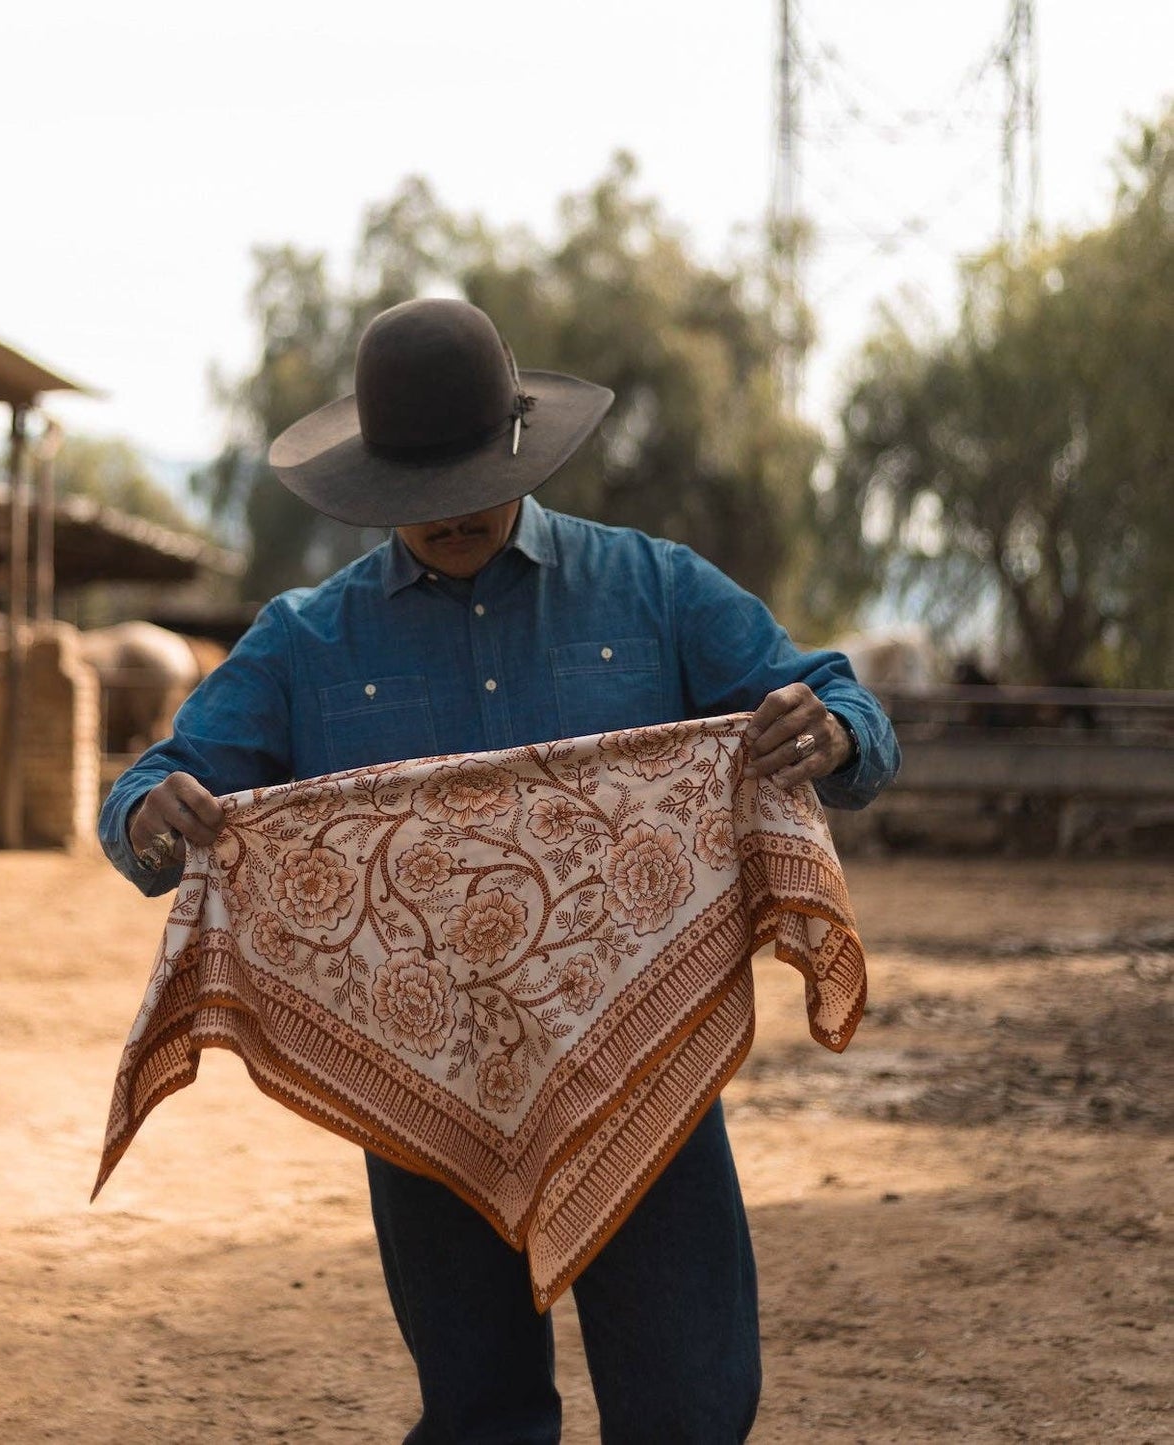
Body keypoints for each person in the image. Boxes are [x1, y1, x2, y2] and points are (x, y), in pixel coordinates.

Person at [100, 297, 899, 1443]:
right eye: (420, 491)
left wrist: (828, 730)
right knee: (479, 1416)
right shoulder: (303, 641)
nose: (452, 511)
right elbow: (152, 787)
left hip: (648, 1067)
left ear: (522, 449)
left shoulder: (655, 589)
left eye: (473, 478)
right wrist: (151, 812)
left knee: (688, 1408)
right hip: (421, 1085)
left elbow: (840, 702)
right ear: (372, 482)